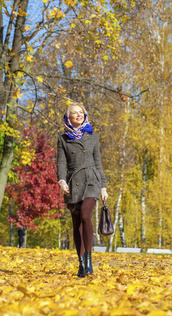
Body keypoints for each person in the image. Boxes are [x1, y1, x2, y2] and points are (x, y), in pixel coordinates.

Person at [56, 103, 108, 277]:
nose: (78, 115)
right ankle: (81, 262)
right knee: (77, 223)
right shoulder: (63, 139)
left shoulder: (92, 136)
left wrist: (103, 186)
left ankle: (89, 259)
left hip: (92, 181)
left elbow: (98, 162)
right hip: (73, 183)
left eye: (81, 112)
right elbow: (61, 163)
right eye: (74, 113)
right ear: (68, 118)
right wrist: (62, 181)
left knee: (86, 215)